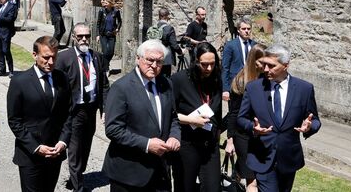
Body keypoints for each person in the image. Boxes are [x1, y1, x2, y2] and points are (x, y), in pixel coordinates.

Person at [237, 44, 321, 192]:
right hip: (262, 157)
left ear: (285, 65)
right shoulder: (254, 88)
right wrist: (253, 128)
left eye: (271, 66)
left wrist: (309, 127)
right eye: (264, 64)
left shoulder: (304, 89)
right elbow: (241, 118)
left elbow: (315, 120)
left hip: (288, 158)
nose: (265, 69)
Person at [103, 39, 181, 192]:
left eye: (159, 61)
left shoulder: (166, 84)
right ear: (138, 59)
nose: (154, 65)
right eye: (150, 60)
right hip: (129, 173)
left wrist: (174, 136)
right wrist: (146, 144)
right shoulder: (121, 88)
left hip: (160, 171)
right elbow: (113, 129)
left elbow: (173, 118)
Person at [7, 36, 73, 192]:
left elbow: (69, 113)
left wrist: (63, 142)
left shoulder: (62, 78)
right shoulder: (19, 82)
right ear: (34, 55)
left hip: (54, 153)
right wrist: (36, 147)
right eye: (46, 57)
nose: (50, 62)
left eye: (54, 57)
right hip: (30, 155)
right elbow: (14, 120)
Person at [54, 23, 108, 192]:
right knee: (75, 149)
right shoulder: (63, 58)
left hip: (91, 109)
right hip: (73, 111)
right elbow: (56, 87)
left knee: (86, 146)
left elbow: (104, 85)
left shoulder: (98, 57)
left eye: (87, 36)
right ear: (73, 38)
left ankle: (75, 177)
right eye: (80, 36)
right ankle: (78, 187)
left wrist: (104, 108)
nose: (84, 39)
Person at [170, 42, 223, 192]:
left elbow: (217, 109)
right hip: (187, 144)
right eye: (204, 64)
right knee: (185, 187)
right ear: (195, 62)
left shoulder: (216, 78)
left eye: (213, 64)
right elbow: (169, 113)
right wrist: (191, 120)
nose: (209, 69)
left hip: (210, 144)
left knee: (213, 188)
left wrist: (218, 130)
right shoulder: (179, 80)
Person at [225, 43, 267, 192]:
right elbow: (233, 113)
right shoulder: (241, 81)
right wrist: (230, 140)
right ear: (253, 61)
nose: (265, 66)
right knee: (252, 180)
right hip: (244, 137)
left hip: (262, 136)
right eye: (262, 62)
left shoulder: (268, 79)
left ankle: (237, 174)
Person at [222, 18, 256, 101]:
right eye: (243, 29)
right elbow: (225, 68)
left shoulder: (254, 45)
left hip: (251, 84)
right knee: (234, 112)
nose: (246, 31)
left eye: (248, 28)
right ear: (238, 30)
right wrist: (225, 89)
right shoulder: (230, 45)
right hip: (235, 85)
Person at [155, 8, 182, 79]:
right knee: (165, 78)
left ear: (159, 16)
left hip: (156, 56)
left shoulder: (154, 28)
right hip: (166, 58)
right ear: (167, 16)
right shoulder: (169, 28)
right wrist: (180, 52)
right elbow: (174, 45)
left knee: (157, 77)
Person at [96, 0, 121, 72]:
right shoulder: (101, 11)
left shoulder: (116, 11)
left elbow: (120, 21)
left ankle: (105, 64)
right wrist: (98, 35)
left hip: (112, 34)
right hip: (103, 34)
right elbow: (98, 23)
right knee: (105, 52)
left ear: (110, 3)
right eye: (104, 3)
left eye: (106, 3)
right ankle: (106, 69)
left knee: (111, 52)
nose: (104, 4)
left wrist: (117, 29)